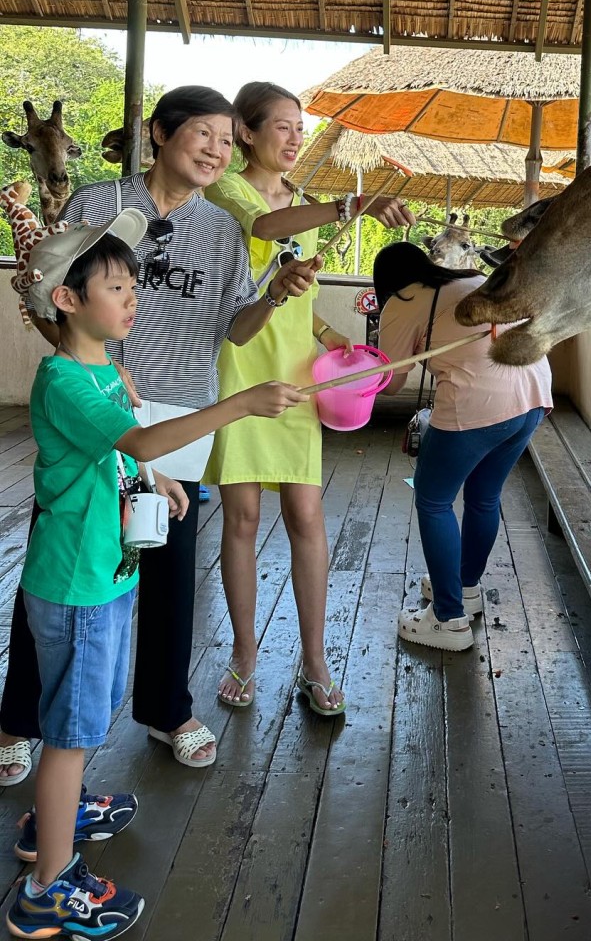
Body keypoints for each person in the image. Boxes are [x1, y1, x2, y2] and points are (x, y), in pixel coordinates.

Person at [0, 85, 319, 784]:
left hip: (183, 409)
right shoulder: (97, 206)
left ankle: (166, 708)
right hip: (99, 402)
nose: (216, 150)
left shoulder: (226, 230)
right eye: (202, 134)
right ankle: (18, 718)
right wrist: (103, 375)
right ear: (158, 133)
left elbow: (233, 325)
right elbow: (42, 295)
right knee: (66, 557)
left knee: (170, 565)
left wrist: (271, 295)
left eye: (226, 141)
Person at [7, 212, 305, 939]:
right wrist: (235, 405)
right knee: (71, 732)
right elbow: (135, 431)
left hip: (103, 574)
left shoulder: (105, 368)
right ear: (69, 300)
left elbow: (125, 446)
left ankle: (57, 809)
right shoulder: (62, 383)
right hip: (76, 583)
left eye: (133, 283)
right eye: (116, 286)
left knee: (86, 709)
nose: (132, 296)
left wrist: (151, 477)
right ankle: (46, 887)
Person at [204, 81, 415, 714]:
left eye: (301, 126)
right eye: (283, 126)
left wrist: (333, 337)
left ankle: (315, 660)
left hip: (297, 372)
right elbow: (265, 227)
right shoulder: (227, 189)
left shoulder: (305, 202)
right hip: (241, 365)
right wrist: (354, 204)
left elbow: (293, 288)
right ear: (246, 131)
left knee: (307, 517)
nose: (296, 137)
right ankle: (243, 657)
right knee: (240, 519)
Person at [374, 242, 551, 651]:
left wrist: (356, 372)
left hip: (480, 401)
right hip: (533, 394)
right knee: (484, 497)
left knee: (434, 501)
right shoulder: (472, 278)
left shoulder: (402, 300)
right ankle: (465, 589)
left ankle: (448, 619)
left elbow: (393, 381)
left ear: (385, 282)